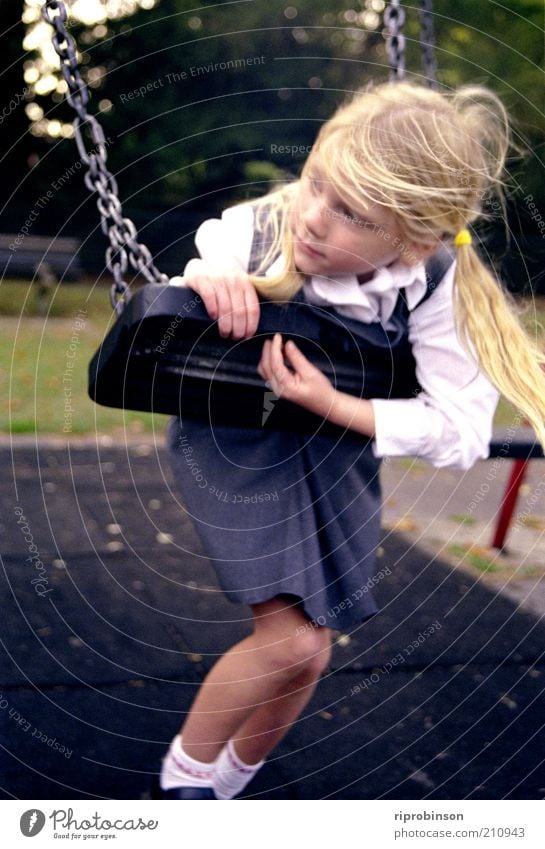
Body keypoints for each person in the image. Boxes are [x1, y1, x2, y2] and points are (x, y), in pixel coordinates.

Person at [153, 80, 545, 800]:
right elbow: (200, 267)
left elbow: (460, 432)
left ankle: (228, 782)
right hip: (241, 444)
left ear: (414, 240)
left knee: (311, 654)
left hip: (334, 454)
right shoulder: (259, 228)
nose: (311, 219)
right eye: (317, 184)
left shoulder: (435, 283)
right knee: (291, 641)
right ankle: (182, 786)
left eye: (350, 215)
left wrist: (335, 403)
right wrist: (210, 282)